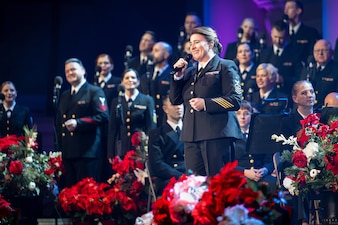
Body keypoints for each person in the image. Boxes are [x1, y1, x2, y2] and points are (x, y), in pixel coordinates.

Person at [170, 26, 242, 176]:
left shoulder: (225, 66)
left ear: (210, 44)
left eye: (197, 42)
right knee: (196, 187)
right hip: (191, 136)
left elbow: (235, 100)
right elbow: (175, 100)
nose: (192, 47)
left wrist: (206, 104)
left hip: (216, 135)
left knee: (218, 186)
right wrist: (177, 77)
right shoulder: (189, 72)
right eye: (191, 43)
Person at [55, 58, 109, 188]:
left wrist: (79, 123)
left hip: (87, 151)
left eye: (73, 69)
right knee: (68, 195)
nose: (70, 73)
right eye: (67, 71)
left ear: (83, 71)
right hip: (68, 152)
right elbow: (59, 123)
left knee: (86, 194)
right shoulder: (64, 95)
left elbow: (103, 115)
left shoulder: (94, 91)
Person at [279, 80, 316, 225]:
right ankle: (303, 221)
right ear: (295, 99)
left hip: (320, 167)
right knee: (299, 179)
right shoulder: (287, 122)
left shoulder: (322, 118)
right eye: (304, 93)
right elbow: (284, 153)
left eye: (311, 92)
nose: (309, 95)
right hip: (297, 167)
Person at [107, 68, 157, 160]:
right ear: (122, 81)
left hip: (140, 147)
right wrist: (111, 153)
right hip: (123, 147)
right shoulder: (117, 101)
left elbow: (151, 127)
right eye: (127, 78)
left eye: (133, 78)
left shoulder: (147, 100)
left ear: (138, 82)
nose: (130, 80)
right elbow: (112, 129)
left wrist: (150, 148)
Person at [234, 101, 276, 193]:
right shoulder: (231, 137)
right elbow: (228, 163)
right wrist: (245, 172)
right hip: (241, 174)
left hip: (261, 174)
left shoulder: (260, 135)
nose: (242, 117)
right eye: (239, 114)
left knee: (271, 184)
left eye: (246, 114)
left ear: (252, 115)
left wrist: (264, 170)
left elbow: (269, 159)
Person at [148, 94, 185, 196]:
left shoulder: (192, 130)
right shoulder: (156, 134)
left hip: (191, 174)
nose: (178, 107)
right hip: (169, 178)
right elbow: (157, 164)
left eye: (180, 104)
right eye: (174, 104)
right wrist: (180, 176)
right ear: (165, 109)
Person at [94, 53, 121, 182]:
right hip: (96, 126)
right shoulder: (93, 83)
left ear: (112, 65)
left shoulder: (117, 82)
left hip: (110, 125)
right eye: (100, 63)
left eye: (106, 63)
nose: (103, 66)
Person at [259, 20, 303, 95]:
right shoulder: (264, 53)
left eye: (281, 38)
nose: (278, 41)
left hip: (287, 93)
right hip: (268, 95)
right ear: (271, 33)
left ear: (287, 36)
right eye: (275, 37)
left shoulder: (295, 53)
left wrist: (283, 79)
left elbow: (300, 78)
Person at [139, 41, 173, 126]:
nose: (152, 53)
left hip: (164, 119)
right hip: (148, 121)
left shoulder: (172, 75)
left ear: (166, 55)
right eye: (152, 50)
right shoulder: (145, 76)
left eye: (156, 51)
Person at [300, 39, 338, 109]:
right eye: (317, 50)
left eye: (324, 50)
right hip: (308, 111)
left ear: (332, 52)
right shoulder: (308, 69)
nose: (320, 53)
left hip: (327, 112)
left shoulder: (336, 70)